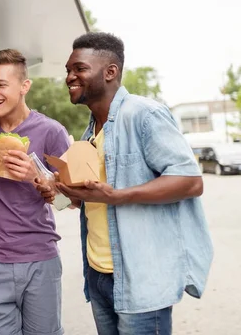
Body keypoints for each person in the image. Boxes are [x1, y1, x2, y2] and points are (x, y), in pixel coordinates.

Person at [57, 32, 213, 335]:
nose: (70, 77)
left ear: (110, 72)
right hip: (99, 275)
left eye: (79, 68)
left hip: (139, 279)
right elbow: (97, 198)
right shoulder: (92, 129)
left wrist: (119, 196)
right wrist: (63, 193)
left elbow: (191, 181)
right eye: (68, 70)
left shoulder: (144, 114)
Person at [0, 49, 69, 335]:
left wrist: (39, 175)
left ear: (24, 87)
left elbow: (70, 200)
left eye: (1, 85)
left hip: (40, 259)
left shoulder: (51, 132)